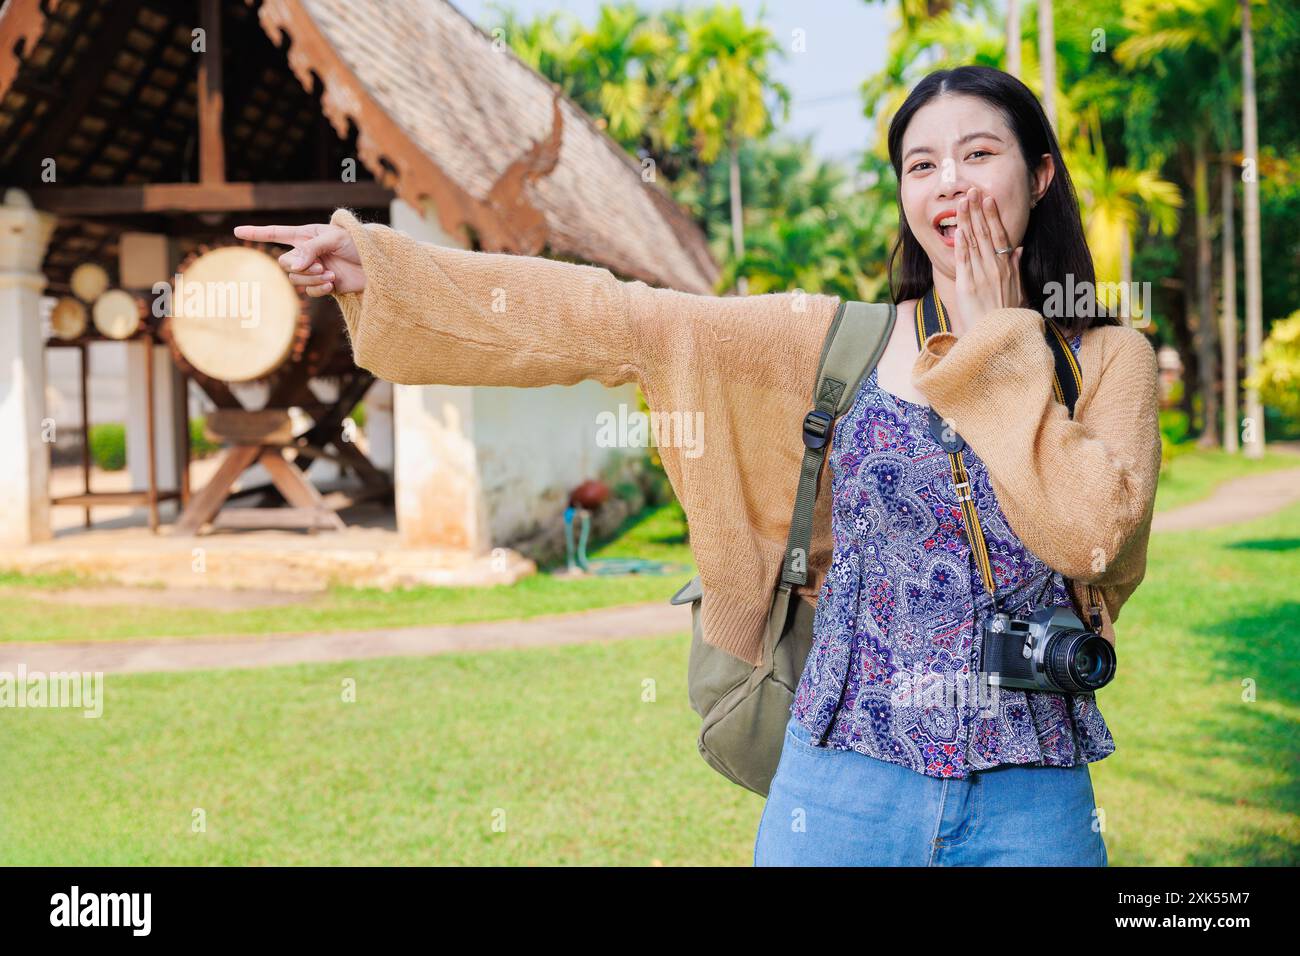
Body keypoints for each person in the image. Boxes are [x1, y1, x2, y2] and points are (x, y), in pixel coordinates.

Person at [236, 65, 1162, 868]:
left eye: (978, 155)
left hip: (1032, 790)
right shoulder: (833, 343)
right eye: (922, 165)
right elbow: (619, 318)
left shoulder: (1106, 359)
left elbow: (1086, 538)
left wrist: (1001, 341)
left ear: (1039, 175)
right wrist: (386, 269)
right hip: (841, 779)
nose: (949, 185)